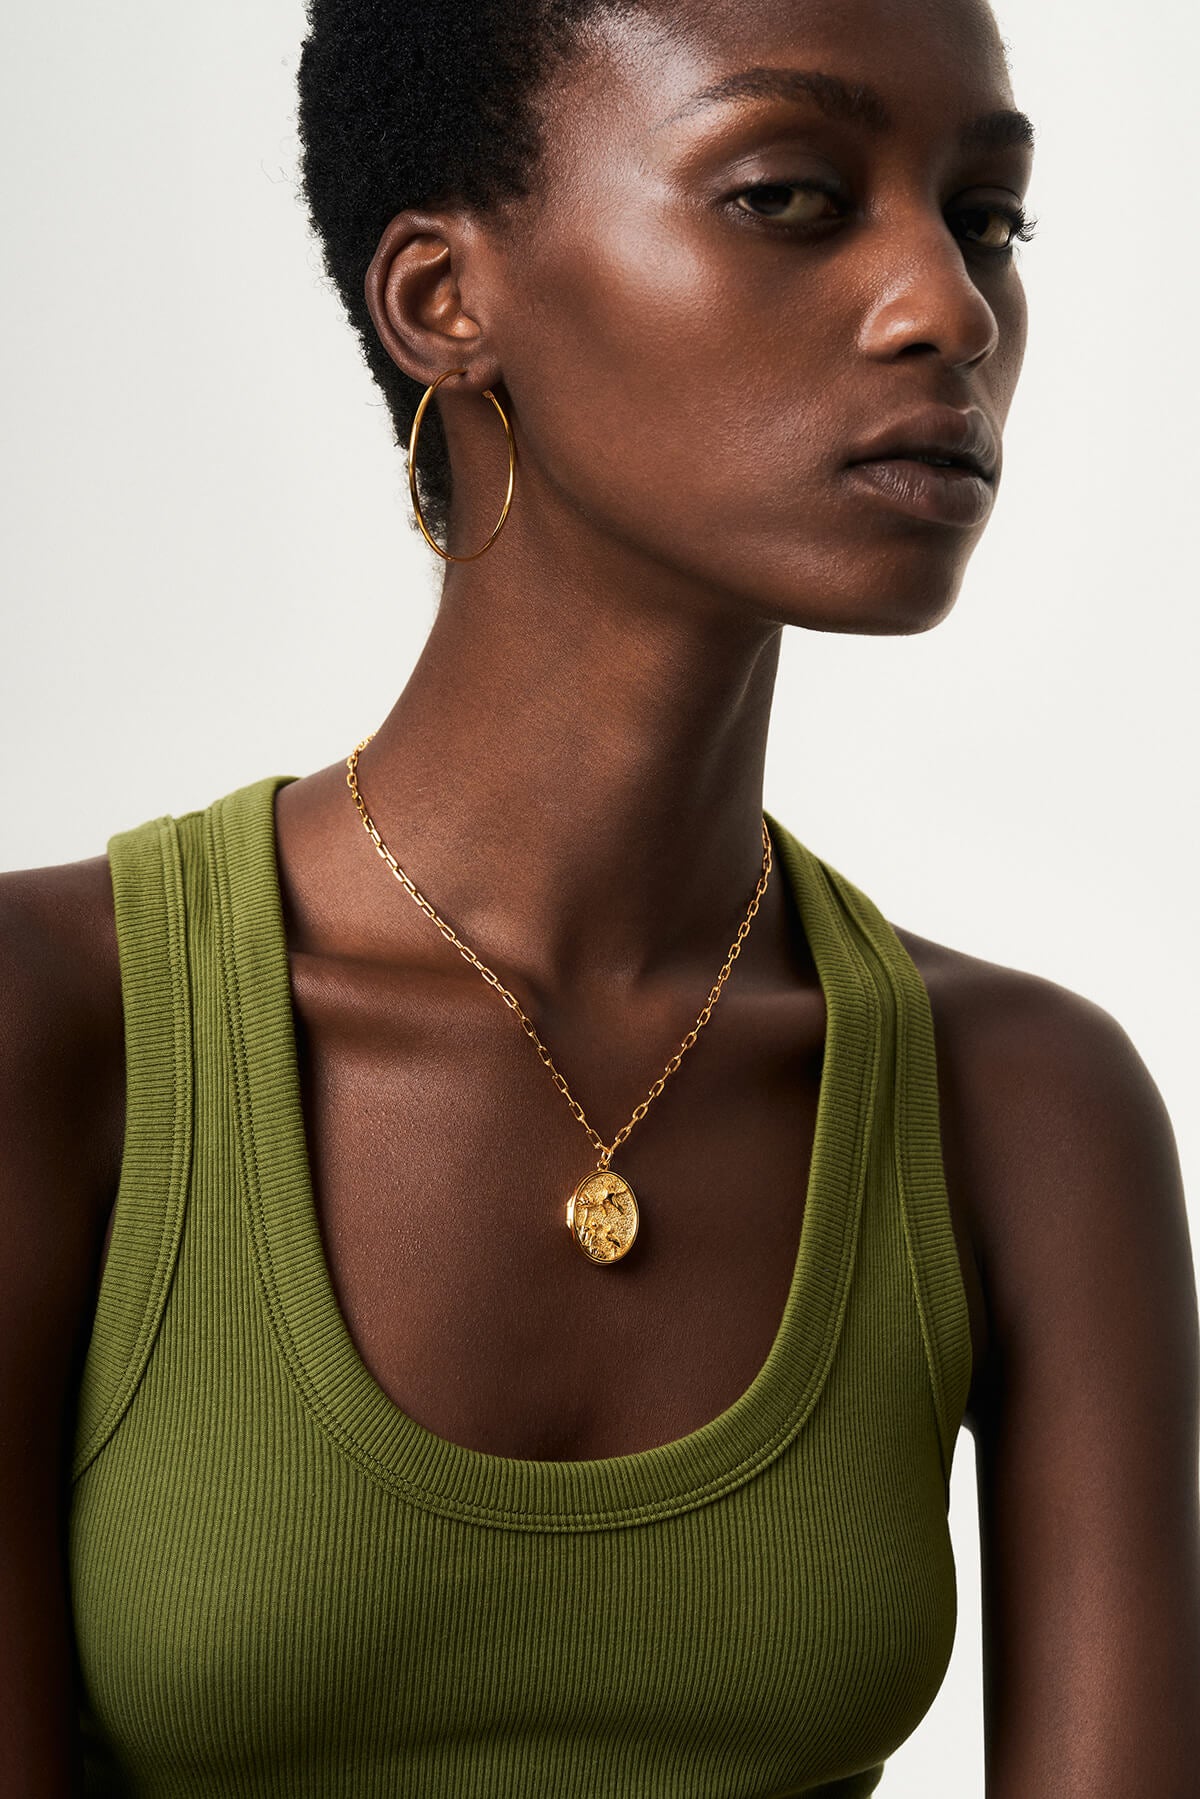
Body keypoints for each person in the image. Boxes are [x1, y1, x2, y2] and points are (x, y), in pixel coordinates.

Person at [2, 0, 1198, 1791]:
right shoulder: (58, 1026)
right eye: (793, 195)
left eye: (989, 218)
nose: (949, 305)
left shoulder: (1024, 1113)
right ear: (442, 302)